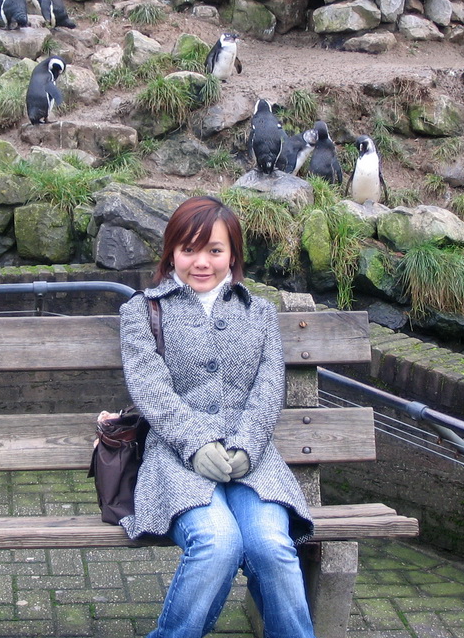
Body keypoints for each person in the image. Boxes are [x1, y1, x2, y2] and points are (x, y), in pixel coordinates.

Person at [118, 195, 315, 638]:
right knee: (217, 544)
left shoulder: (259, 313)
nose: (201, 262)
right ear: (171, 252)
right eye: (189, 249)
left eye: (215, 250)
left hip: (254, 460)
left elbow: (269, 388)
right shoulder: (142, 312)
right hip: (175, 458)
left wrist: (246, 445)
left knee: (270, 546)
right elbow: (151, 389)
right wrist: (195, 443)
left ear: (233, 255)